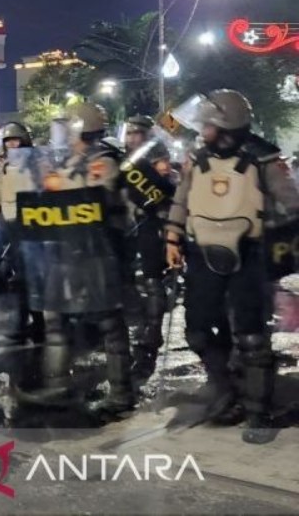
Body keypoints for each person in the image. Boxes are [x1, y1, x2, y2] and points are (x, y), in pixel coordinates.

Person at [166, 89, 299, 444]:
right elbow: (181, 201)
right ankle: (224, 387)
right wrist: (172, 239)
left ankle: (258, 412)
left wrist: (278, 242)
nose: (202, 130)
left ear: (226, 126)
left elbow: (291, 206)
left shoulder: (264, 158)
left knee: (253, 337)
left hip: (250, 255)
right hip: (202, 255)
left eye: (208, 125)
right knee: (198, 329)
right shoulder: (197, 158)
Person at [21, 103, 134, 417]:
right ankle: (57, 385)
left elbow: (97, 198)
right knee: (54, 318)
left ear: (80, 128)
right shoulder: (69, 162)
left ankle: (122, 392)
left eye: (67, 126)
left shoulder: (103, 162)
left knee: (109, 322)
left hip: (95, 252)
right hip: (64, 251)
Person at [120, 115, 177, 379]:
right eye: (129, 134)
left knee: (154, 282)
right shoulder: (122, 160)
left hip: (155, 224)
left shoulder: (158, 157)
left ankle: (151, 337)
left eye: (137, 134)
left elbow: (165, 191)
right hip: (128, 226)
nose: (132, 138)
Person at [0, 121, 45, 345]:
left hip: (29, 225)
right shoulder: (5, 165)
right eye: (8, 141)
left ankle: (36, 323)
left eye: (15, 140)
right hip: (8, 224)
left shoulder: (35, 163)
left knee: (29, 277)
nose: (12, 144)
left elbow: (41, 190)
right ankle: (29, 322)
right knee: (19, 278)